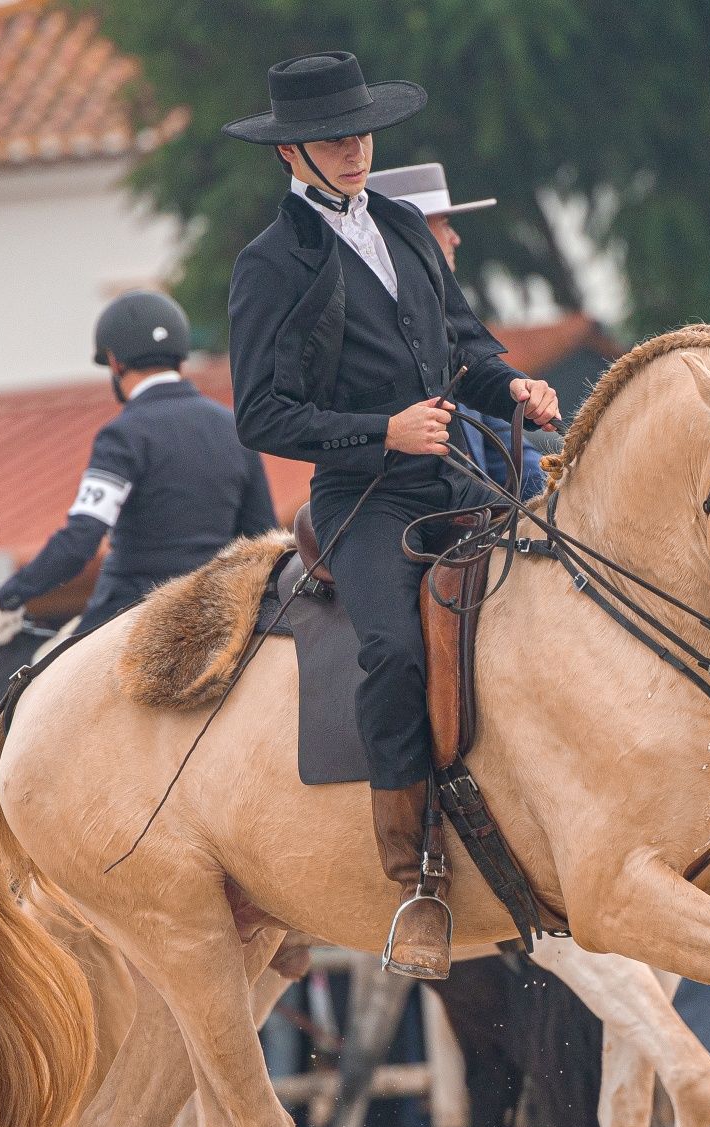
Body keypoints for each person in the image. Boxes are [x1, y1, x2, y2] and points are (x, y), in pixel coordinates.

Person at [224, 52, 559, 980]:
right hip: (362, 495)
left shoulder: (406, 225)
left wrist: (513, 383)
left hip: (457, 469)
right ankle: (414, 878)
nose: (352, 149)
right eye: (333, 138)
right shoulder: (268, 264)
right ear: (290, 153)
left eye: (360, 132)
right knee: (394, 652)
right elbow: (261, 414)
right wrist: (382, 431)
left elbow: (463, 341)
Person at [0, 290, 278, 643]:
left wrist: (13, 594)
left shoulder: (123, 435)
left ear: (115, 361)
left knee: (35, 687)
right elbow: (263, 540)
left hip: (132, 612)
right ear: (179, 356)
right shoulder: (232, 428)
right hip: (219, 615)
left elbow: (81, 541)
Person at [367, 163, 547, 499]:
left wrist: (565, 491)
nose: (455, 238)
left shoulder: (451, 335)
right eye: (444, 225)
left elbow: (509, 456)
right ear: (409, 234)